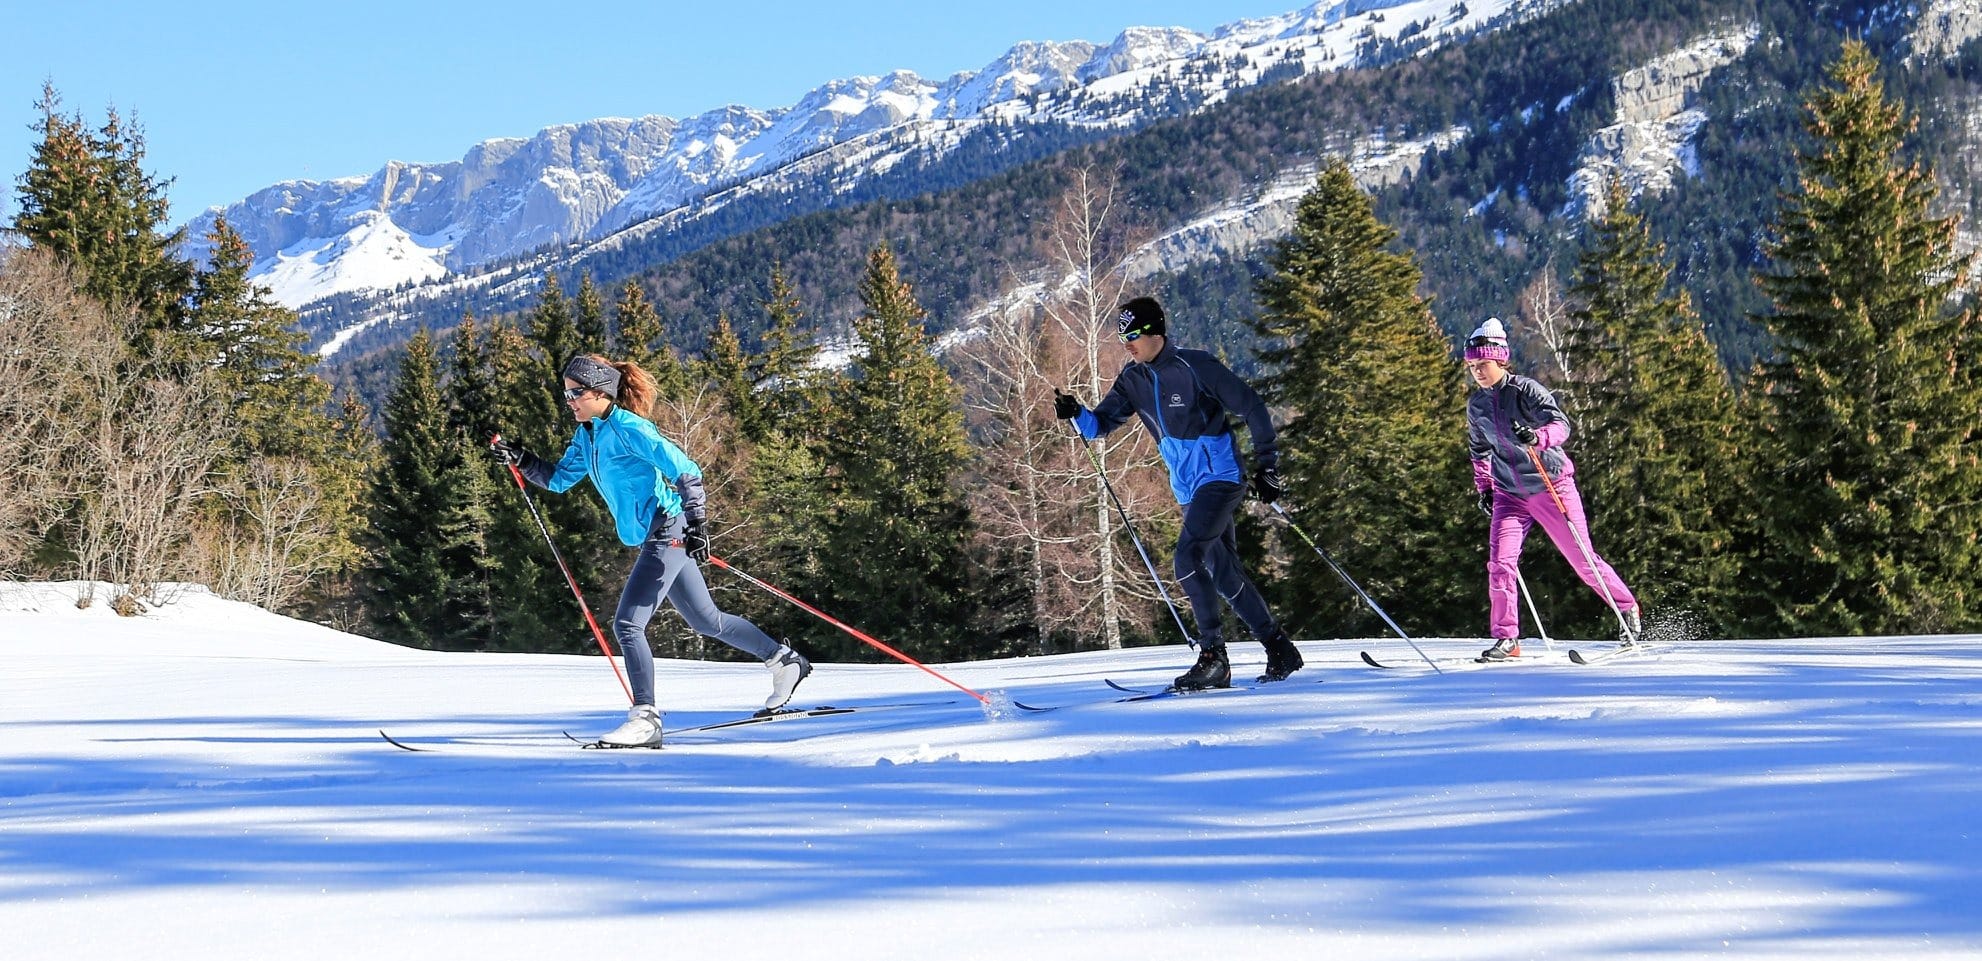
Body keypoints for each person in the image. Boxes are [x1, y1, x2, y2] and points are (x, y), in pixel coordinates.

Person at [491, 354, 812, 747]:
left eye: (576, 393)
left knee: (628, 624)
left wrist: (698, 523)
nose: (569, 401)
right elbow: (559, 480)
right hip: (654, 535)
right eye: (566, 394)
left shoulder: (629, 428)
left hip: (669, 529)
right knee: (706, 621)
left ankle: (645, 718)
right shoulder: (587, 433)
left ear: (600, 393)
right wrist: (522, 460)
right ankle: (783, 661)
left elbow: (685, 467)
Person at [1053, 296, 1302, 690]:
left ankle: (1213, 656)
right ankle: (1279, 647)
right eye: (1121, 337)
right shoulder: (1132, 379)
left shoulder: (1195, 365)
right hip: (1187, 487)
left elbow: (1252, 406)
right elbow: (1098, 426)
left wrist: (1267, 465)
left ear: (1156, 331)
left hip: (1220, 476)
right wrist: (1075, 412)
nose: (1126, 343)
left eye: (1132, 334)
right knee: (1222, 570)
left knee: (1187, 557)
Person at [1463, 318, 1642, 659]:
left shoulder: (1526, 391)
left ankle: (1627, 608)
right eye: (1472, 366)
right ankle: (1507, 639)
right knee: (1500, 563)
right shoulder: (1477, 406)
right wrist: (1485, 486)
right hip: (1508, 495)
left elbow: (1561, 425)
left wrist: (1538, 437)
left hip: (1551, 486)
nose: (1478, 372)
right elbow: (1478, 449)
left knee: (1582, 559)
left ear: (1500, 360)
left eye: (1482, 364)